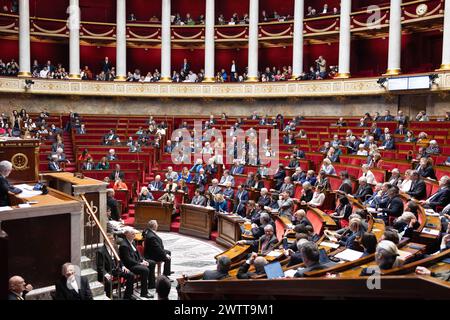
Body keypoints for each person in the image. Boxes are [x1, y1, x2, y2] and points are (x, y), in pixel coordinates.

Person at [119, 227, 155, 298]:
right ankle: (144, 293)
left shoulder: (133, 242)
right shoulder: (124, 245)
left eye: (134, 234)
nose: (134, 235)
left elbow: (138, 254)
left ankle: (151, 284)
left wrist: (143, 260)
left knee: (152, 263)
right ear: (127, 234)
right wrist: (140, 263)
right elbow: (128, 260)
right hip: (130, 265)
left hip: (137, 262)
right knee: (145, 270)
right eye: (132, 234)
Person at [96, 233, 135, 300]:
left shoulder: (115, 247)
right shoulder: (101, 251)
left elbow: (119, 259)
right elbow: (100, 266)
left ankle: (127, 296)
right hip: (108, 271)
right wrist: (106, 274)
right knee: (108, 281)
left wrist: (123, 266)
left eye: (113, 238)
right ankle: (109, 297)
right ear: (106, 240)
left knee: (130, 275)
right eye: (111, 239)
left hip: (116, 269)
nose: (113, 240)